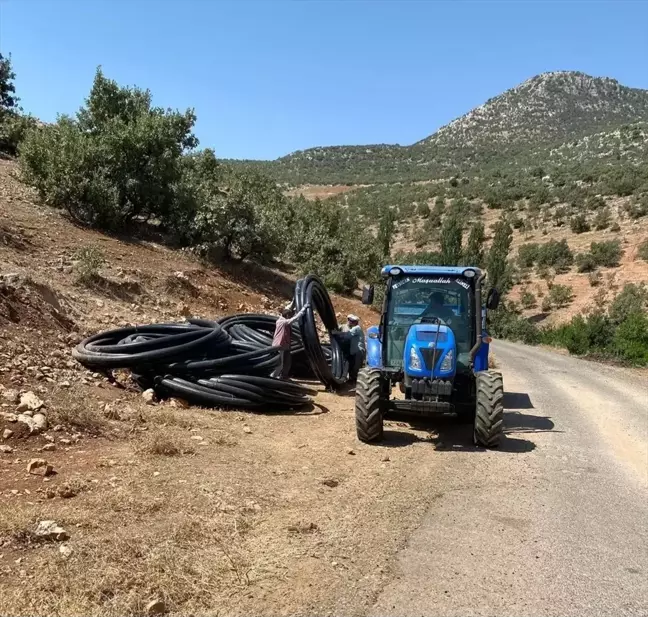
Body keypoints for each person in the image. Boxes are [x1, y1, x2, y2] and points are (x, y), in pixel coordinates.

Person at [271, 303, 309, 379]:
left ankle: (283, 376)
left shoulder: (282, 321)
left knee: (286, 362)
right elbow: (294, 319)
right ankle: (272, 378)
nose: (291, 316)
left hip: (285, 345)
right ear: (287, 316)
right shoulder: (283, 322)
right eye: (290, 315)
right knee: (280, 364)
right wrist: (303, 309)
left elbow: (290, 334)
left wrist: (298, 340)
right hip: (279, 345)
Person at [343, 314, 365, 383]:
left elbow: (347, 335)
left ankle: (355, 380)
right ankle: (352, 379)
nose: (350, 322)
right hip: (354, 351)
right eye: (349, 320)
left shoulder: (357, 328)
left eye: (352, 321)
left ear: (355, 322)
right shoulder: (353, 328)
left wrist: (336, 333)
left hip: (358, 351)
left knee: (356, 367)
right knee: (352, 365)